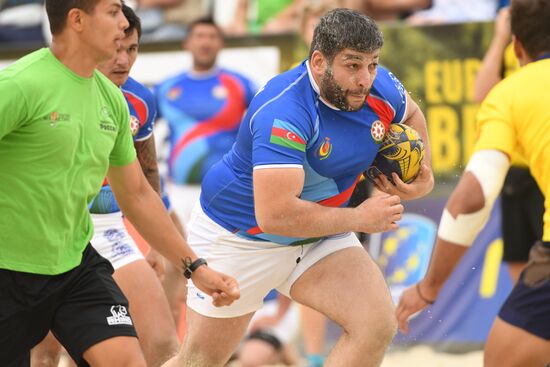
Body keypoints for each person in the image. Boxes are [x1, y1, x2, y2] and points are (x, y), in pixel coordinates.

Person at [163, 8, 434, 367]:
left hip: (317, 233)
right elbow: (276, 215)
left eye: (372, 64)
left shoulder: (378, 85)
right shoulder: (285, 109)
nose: (365, 79)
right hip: (241, 236)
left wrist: (421, 173)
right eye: (353, 65)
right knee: (199, 360)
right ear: (319, 61)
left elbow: (411, 114)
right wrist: (358, 218)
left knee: (375, 325)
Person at [0, 0, 239, 365]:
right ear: (77, 20)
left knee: (132, 358)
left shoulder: (112, 100)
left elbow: (139, 194)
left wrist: (196, 268)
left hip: (75, 264)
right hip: (10, 269)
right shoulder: (20, 84)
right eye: (113, 12)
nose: (123, 22)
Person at [396, 1, 550, 366]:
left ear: (516, 47)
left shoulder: (513, 92)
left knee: (502, 359)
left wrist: (428, 287)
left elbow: (471, 197)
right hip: (526, 193)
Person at [30, 5, 180, 366]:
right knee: (45, 351)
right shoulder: (46, 85)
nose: (123, 60)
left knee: (161, 342)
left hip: (109, 230)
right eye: (116, 49)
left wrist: (159, 247)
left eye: (132, 49)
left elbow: (147, 176)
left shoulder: (140, 100)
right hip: (48, 232)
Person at [154, 16, 257, 226]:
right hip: (179, 191)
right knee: (178, 256)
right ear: (187, 43)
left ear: (221, 43)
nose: (205, 42)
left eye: (212, 37)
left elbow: (264, 123)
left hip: (227, 189)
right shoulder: (166, 87)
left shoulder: (240, 84)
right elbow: (138, 130)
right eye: (199, 36)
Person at [472, 6, 544, 284]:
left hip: (541, 165)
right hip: (514, 169)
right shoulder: (511, 42)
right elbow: (481, 93)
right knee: (518, 259)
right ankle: (530, 322)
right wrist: (502, 37)